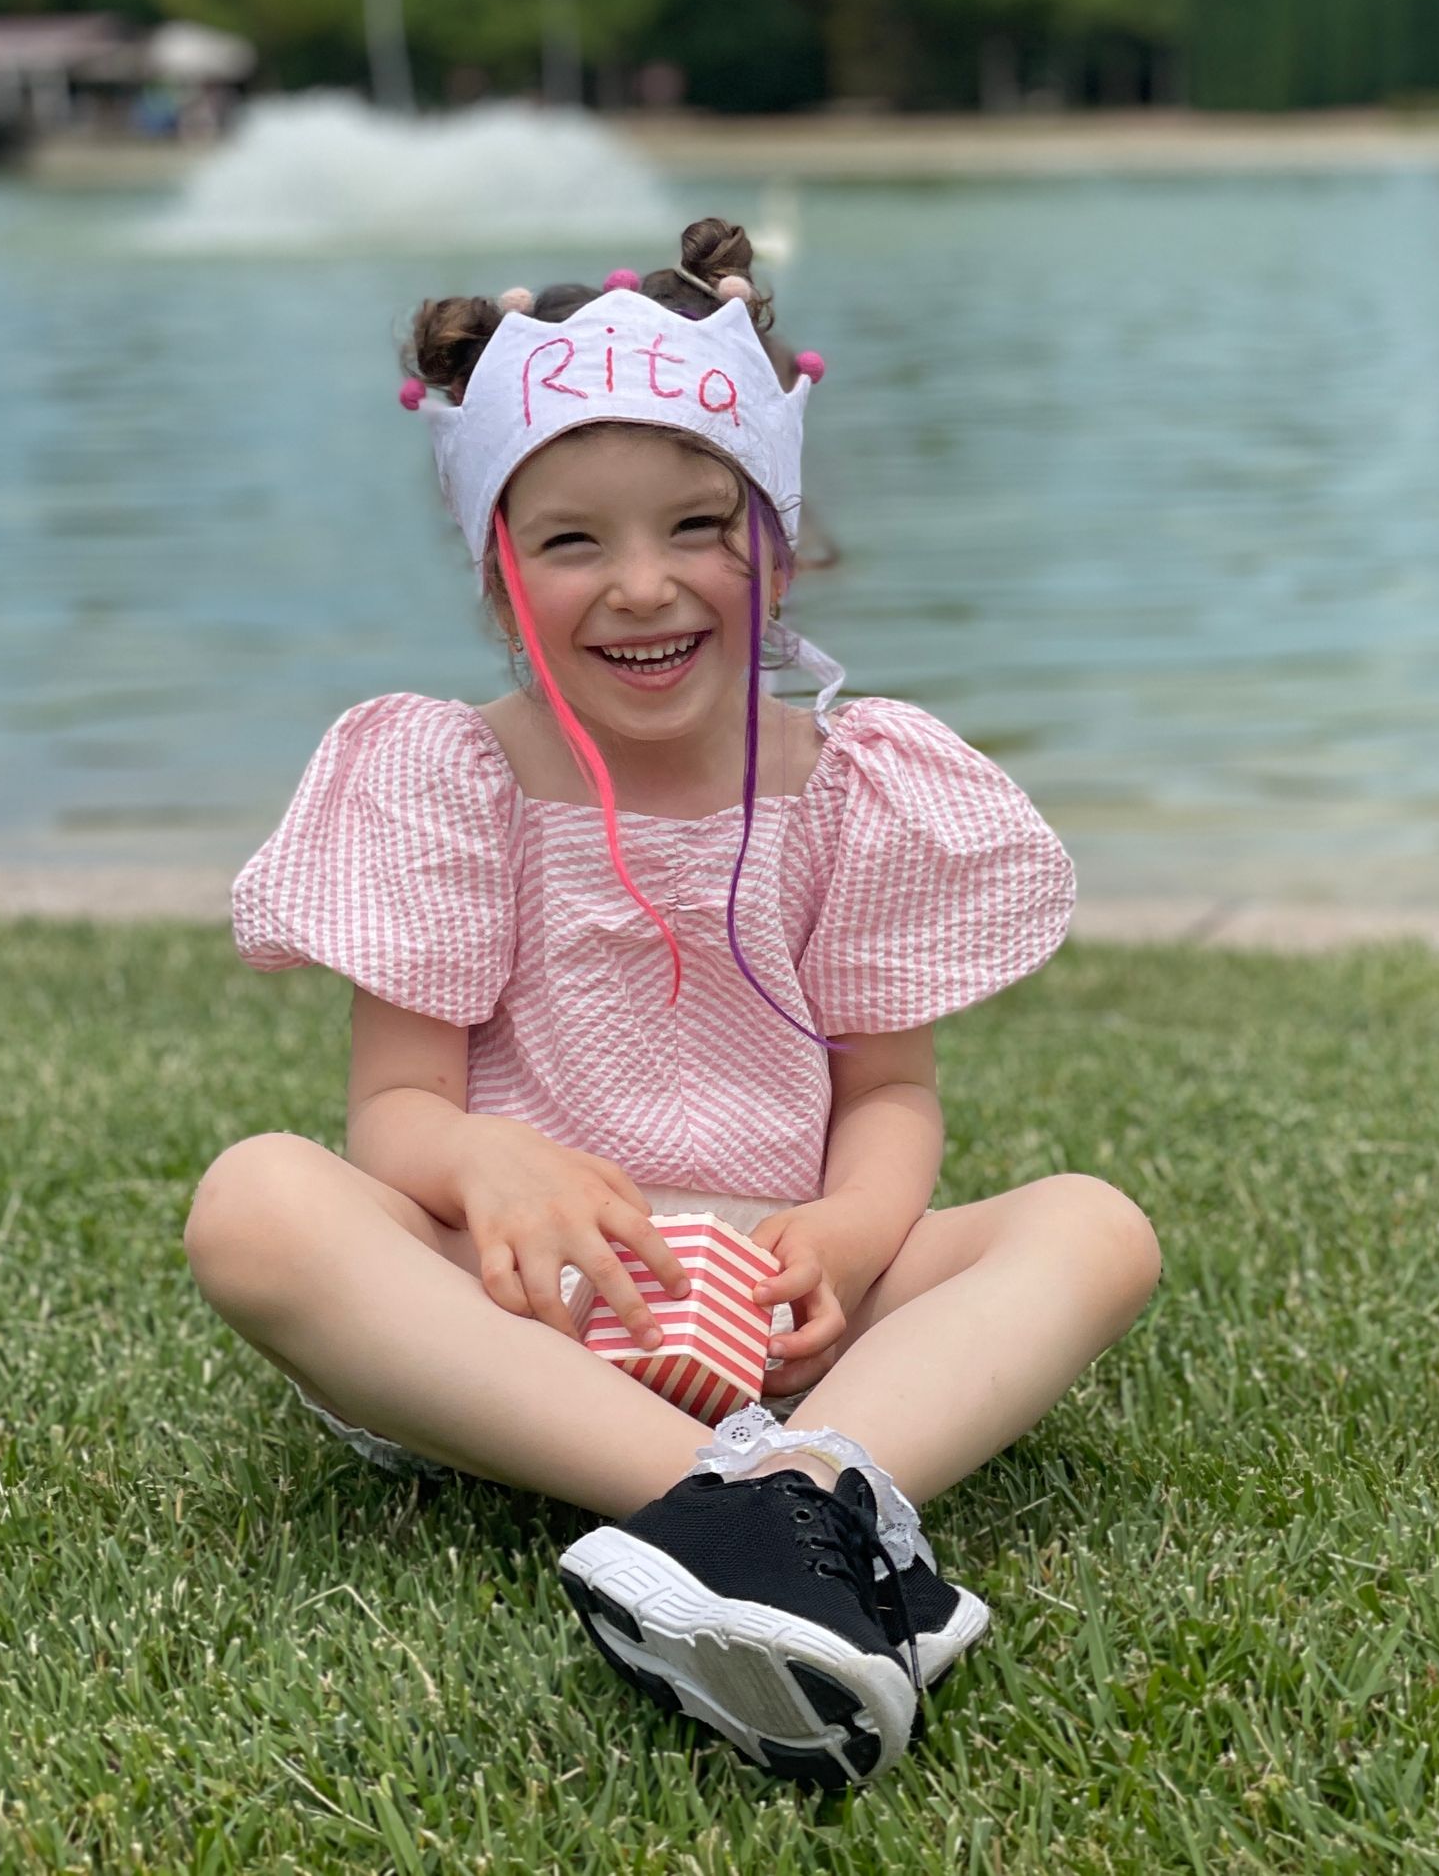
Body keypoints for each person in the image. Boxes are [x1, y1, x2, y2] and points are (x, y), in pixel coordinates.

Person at [184, 217, 1159, 1788]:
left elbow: (889, 1094)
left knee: (1093, 1228)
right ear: (501, 571)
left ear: (776, 539)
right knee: (256, 1203)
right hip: (528, 1307)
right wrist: (486, 1160)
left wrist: (849, 1236)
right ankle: (784, 1518)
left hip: (782, 1310)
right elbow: (397, 1113)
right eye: (573, 541)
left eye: (697, 526)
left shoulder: (852, 785)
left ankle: (784, 1492)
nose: (643, 586)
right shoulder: (454, 777)